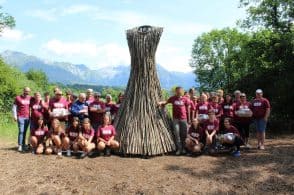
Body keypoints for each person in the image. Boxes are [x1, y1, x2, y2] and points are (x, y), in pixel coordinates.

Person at [158, 86, 190, 155]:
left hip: (183, 119)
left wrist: (189, 119)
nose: (178, 92)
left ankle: (184, 149)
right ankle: (179, 149)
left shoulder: (185, 99)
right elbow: (166, 102)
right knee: (177, 134)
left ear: (182, 92)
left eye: (180, 91)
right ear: (176, 92)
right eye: (177, 91)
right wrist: (161, 103)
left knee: (183, 134)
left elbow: (188, 109)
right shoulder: (173, 98)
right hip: (175, 119)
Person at [12, 87, 31, 152]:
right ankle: (20, 145)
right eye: (26, 91)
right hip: (20, 117)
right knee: (21, 131)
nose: (27, 92)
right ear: (23, 91)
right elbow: (14, 107)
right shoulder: (18, 98)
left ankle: (23, 144)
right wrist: (15, 116)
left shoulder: (30, 98)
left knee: (25, 131)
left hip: (27, 117)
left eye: (28, 91)